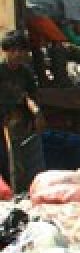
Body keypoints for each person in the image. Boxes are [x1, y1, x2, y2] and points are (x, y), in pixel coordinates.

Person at [0, 32, 46, 192]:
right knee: (8, 161)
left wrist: (37, 114)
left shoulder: (25, 72)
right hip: (4, 120)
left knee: (23, 162)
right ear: (5, 51)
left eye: (21, 50)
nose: (17, 54)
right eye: (13, 50)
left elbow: (30, 96)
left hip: (19, 121)